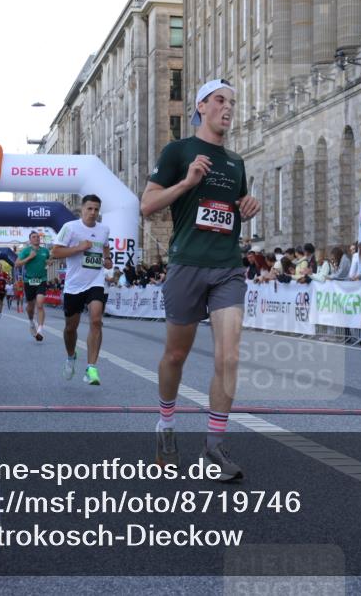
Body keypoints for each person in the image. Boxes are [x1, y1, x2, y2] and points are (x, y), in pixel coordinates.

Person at [140, 78, 261, 481]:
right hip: (187, 264)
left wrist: (247, 206)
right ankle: (166, 425)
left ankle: (214, 446)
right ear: (201, 106)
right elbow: (147, 205)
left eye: (232, 103)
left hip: (227, 265)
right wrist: (188, 182)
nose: (228, 108)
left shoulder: (235, 162)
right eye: (221, 101)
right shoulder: (178, 151)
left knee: (228, 356)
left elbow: (232, 209)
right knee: (176, 355)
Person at [50, 195, 112, 383]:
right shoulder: (70, 228)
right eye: (89, 209)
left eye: (96, 209)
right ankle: (71, 356)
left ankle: (91, 368)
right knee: (71, 328)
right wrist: (78, 248)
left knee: (95, 321)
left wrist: (108, 259)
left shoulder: (104, 229)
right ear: (82, 209)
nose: (93, 213)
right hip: (74, 285)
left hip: (96, 281)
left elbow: (105, 247)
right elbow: (55, 252)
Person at [15, 232, 51, 341]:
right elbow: (17, 264)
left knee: (40, 304)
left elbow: (48, 262)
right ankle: (31, 322)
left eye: (38, 237)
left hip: (42, 280)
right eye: (34, 237)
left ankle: (40, 330)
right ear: (30, 240)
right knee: (30, 306)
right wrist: (29, 258)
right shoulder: (26, 251)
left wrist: (49, 263)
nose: (36, 239)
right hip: (29, 281)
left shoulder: (45, 251)